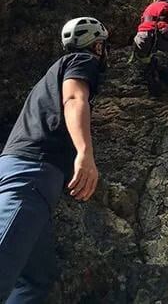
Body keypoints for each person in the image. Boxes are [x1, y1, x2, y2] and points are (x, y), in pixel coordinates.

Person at [0, 17, 109, 302]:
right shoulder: (82, 61)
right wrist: (85, 153)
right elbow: (74, 99)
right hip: (32, 172)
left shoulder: (48, 77)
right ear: (97, 45)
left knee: (33, 282)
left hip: (22, 171)